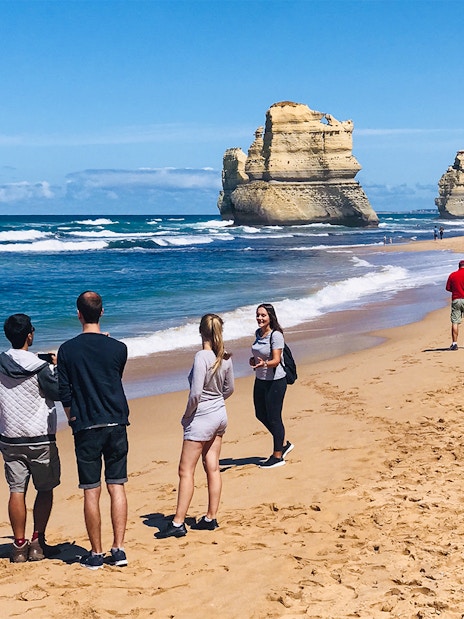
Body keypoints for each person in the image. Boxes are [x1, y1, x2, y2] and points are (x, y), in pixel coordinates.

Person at [58, 291, 129, 569]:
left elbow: (65, 393)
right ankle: (119, 548)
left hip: (86, 423)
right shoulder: (119, 348)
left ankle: (97, 553)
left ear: (78, 314)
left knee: (91, 490)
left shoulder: (67, 350)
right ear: (101, 312)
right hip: (115, 421)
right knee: (117, 485)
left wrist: (72, 418)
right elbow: (111, 376)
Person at [158, 314, 234, 539]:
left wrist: (187, 415)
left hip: (202, 417)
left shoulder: (202, 356)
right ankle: (211, 517)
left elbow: (196, 393)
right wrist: (216, 401)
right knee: (213, 467)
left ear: (201, 332)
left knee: (185, 470)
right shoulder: (225, 357)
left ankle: (179, 521)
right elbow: (229, 389)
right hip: (220, 414)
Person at [0, 314, 60, 563]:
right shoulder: (41, 367)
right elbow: (56, 392)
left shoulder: (1, 362)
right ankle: (37, 542)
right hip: (39, 435)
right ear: (29, 335)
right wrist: (56, 367)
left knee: (16, 490)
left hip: (10, 434)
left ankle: (18, 545)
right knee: (45, 488)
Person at [249, 303, 293, 469]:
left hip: (276, 381)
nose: (260, 318)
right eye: (258, 315)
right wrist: (253, 361)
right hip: (260, 379)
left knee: (274, 417)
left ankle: (278, 455)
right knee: (260, 413)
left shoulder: (276, 335)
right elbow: (259, 353)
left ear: (270, 317)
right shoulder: (258, 333)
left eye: (263, 315)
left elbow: (275, 360)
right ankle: (283, 443)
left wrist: (263, 364)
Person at [446, 261, 464, 350]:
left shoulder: (453, 275)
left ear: (459, 266)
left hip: (456, 299)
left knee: (455, 322)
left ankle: (454, 343)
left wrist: (456, 290)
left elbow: (448, 288)